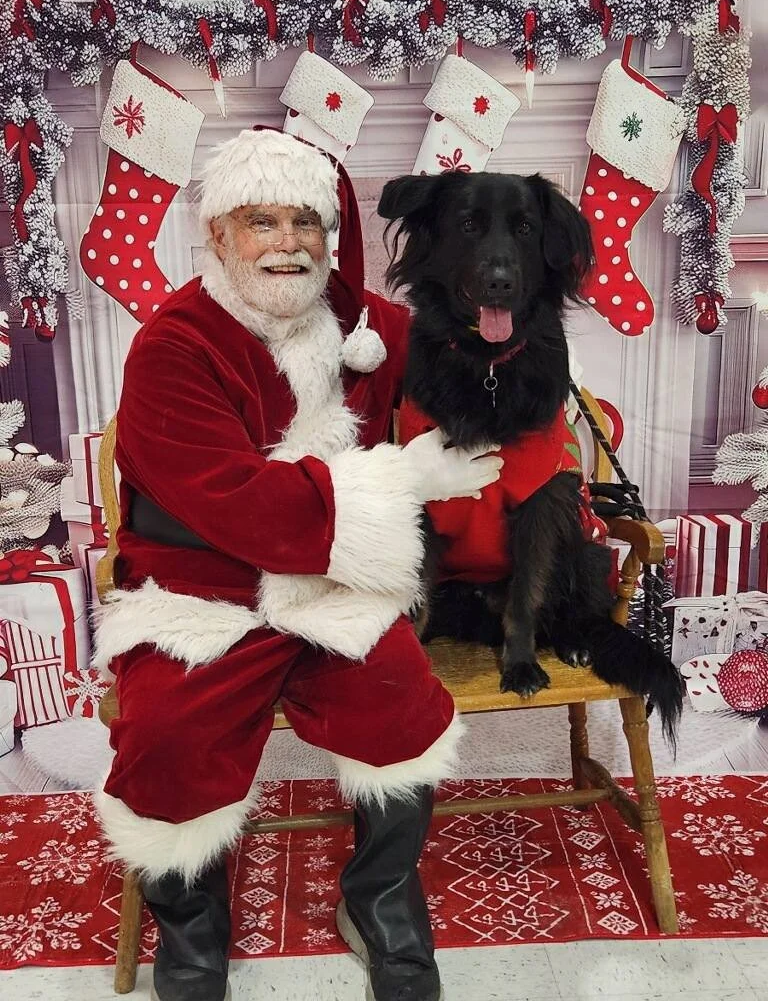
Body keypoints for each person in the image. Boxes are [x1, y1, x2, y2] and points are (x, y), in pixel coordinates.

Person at [93, 128, 503, 1001]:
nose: (287, 244)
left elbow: (478, 359)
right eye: (261, 222)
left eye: (305, 223)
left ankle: (380, 901)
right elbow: (237, 501)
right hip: (202, 593)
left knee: (404, 705)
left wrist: (497, 298)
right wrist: (405, 477)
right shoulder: (174, 344)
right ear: (220, 237)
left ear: (330, 233)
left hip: (330, 588)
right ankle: (193, 936)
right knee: (166, 735)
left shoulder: (364, 326)